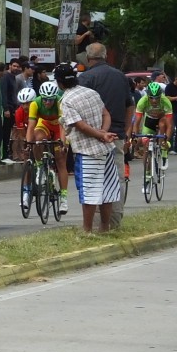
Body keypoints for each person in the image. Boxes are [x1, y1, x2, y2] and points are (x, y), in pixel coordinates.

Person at [55, 62, 118, 233]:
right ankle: (105, 227)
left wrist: (100, 135)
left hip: (86, 152)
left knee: (89, 193)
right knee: (107, 190)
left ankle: (87, 231)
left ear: (59, 83)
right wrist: (104, 133)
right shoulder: (92, 92)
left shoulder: (66, 101)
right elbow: (106, 114)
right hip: (106, 148)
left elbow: (80, 125)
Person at [26, 80, 70, 215]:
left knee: (61, 160)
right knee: (37, 140)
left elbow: (63, 126)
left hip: (58, 127)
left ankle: (63, 198)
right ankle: (40, 166)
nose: (47, 102)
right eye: (45, 99)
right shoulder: (35, 103)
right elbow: (31, 126)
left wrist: (63, 142)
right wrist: (28, 143)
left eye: (50, 100)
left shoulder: (60, 102)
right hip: (44, 125)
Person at [130, 80, 173, 163]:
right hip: (149, 120)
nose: (154, 101)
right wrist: (135, 135)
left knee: (162, 124)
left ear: (161, 96)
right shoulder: (142, 102)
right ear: (147, 96)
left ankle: (163, 150)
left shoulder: (166, 102)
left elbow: (170, 124)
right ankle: (147, 172)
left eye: (157, 98)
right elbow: (137, 121)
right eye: (151, 98)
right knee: (146, 144)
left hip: (162, 120)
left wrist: (166, 139)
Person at [0, 58, 22, 162]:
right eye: (14, 66)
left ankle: (9, 153)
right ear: (9, 66)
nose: (16, 68)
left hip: (14, 109)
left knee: (11, 133)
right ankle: (4, 154)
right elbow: (4, 94)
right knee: (5, 133)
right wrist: (6, 109)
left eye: (17, 67)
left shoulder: (13, 77)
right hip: (8, 109)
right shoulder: (5, 77)